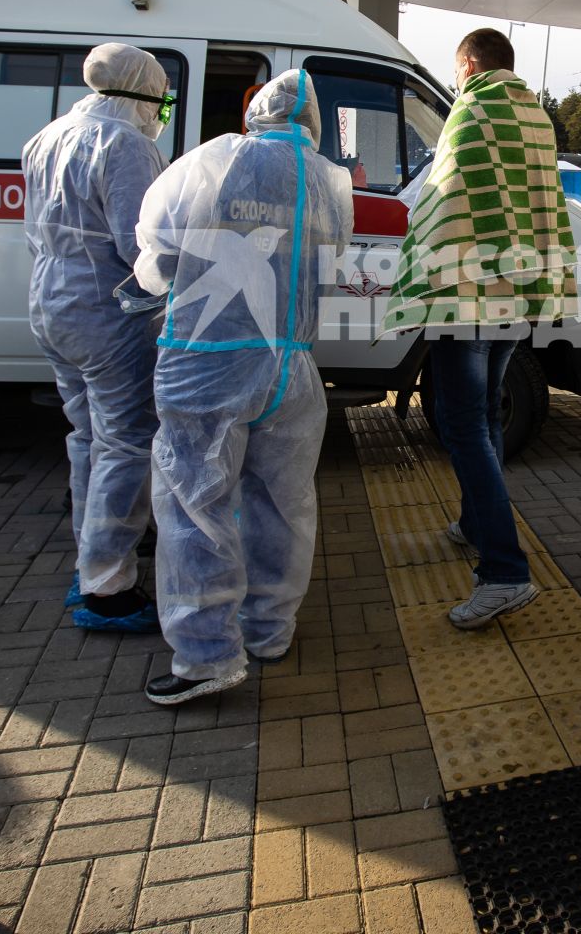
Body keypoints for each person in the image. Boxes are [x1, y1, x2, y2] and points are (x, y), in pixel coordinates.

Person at [133, 70, 353, 704]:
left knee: (195, 506)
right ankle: (268, 630)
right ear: (310, 120)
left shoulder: (211, 161)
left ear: (255, 110)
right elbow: (328, 269)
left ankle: (205, 656)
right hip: (293, 368)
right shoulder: (329, 180)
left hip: (209, 360)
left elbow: (155, 261)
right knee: (281, 503)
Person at [382, 28, 577, 629]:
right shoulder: (536, 118)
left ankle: (504, 571)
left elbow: (444, 197)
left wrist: (419, 263)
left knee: (462, 425)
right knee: (488, 412)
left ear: (467, 64)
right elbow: (538, 201)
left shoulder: (471, 108)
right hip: (516, 292)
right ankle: (474, 523)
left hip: (467, 296)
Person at [23, 43, 170, 634]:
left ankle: (90, 565)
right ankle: (109, 587)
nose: (159, 109)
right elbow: (140, 247)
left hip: (51, 300)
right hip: (107, 310)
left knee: (86, 437)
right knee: (126, 443)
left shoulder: (48, 135)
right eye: (160, 98)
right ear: (141, 93)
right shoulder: (127, 146)